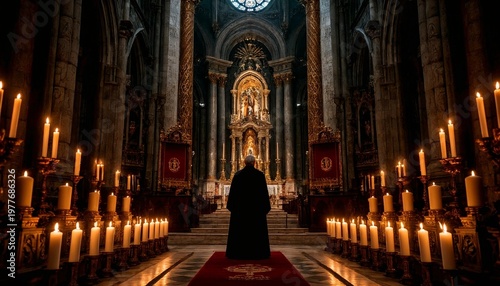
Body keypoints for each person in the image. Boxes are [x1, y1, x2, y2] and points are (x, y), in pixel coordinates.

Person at [225, 155, 271, 259]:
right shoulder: (260, 175)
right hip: (256, 213)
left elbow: (232, 196)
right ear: (254, 162)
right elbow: (264, 195)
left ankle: (238, 252)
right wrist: (264, 208)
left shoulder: (237, 175)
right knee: (256, 234)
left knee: (240, 234)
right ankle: (258, 253)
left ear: (244, 162)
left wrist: (234, 208)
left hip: (240, 213)